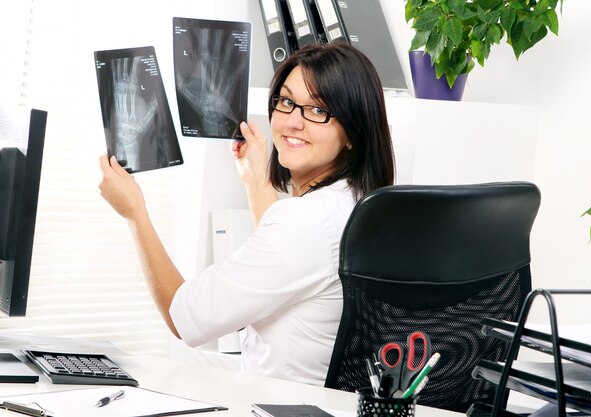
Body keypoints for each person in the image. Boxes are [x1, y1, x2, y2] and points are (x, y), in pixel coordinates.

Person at [98, 42, 395, 385]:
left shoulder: (304, 222)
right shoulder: (356, 206)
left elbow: (184, 317)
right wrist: (256, 181)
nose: (292, 122)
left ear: (352, 134)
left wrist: (135, 214)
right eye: (286, 102)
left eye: (318, 110)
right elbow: (283, 270)